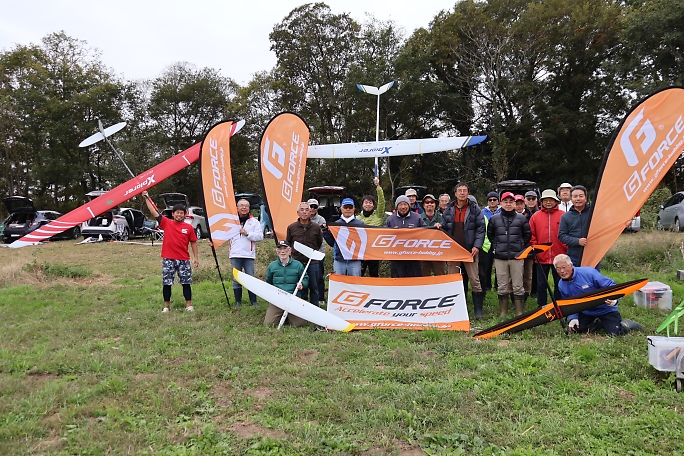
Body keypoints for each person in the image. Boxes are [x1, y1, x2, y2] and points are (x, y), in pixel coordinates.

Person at [554, 254, 641, 335]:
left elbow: (611, 285)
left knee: (615, 332)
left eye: (564, 267)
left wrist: (615, 300)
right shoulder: (561, 285)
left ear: (571, 265)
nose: (562, 271)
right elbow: (570, 304)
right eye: (558, 269)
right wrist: (573, 318)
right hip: (587, 311)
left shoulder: (589, 273)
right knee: (576, 329)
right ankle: (599, 322)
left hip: (605, 309)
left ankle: (627, 324)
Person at [142, 191, 199, 312]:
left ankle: (189, 305)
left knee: (186, 283)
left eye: (181, 213)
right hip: (168, 259)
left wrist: (196, 257)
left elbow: (193, 242)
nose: (179, 215)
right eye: (177, 212)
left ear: (185, 215)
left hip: (184, 259)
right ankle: (166, 306)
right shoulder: (166, 223)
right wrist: (146, 197)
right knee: (167, 283)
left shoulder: (189, 228)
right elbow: (154, 212)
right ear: (173, 214)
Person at [442, 183, 486, 318]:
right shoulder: (449, 209)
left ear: (468, 193)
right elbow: (445, 227)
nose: (462, 193)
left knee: (474, 280)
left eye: (464, 191)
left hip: (469, 250)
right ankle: (453, 309)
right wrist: (439, 226)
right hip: (454, 250)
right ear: (455, 193)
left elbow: (481, 229)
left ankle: (478, 311)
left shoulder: (475, 209)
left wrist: (477, 246)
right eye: (459, 190)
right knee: (452, 280)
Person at [487, 192, 531, 317]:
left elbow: (527, 235)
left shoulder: (521, 218)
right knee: (502, 285)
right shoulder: (494, 219)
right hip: (500, 257)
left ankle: (519, 312)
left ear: (515, 204)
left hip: (517, 256)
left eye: (511, 202)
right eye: (505, 202)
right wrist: (497, 247)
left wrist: (520, 246)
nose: (508, 204)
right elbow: (490, 235)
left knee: (518, 285)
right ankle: (503, 312)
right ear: (501, 203)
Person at [529, 190, 567, 307]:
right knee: (541, 284)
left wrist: (565, 249)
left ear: (556, 201)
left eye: (551, 200)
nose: (548, 202)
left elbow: (567, 233)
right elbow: (532, 235)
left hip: (559, 256)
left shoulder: (563, 215)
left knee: (560, 282)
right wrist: (536, 250)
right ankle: (542, 306)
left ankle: (559, 305)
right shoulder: (535, 216)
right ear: (542, 202)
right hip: (541, 256)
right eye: (546, 200)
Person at [264, 240, 309, 327]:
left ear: (290, 251)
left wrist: (302, 284)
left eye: (285, 249)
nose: (282, 251)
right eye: (280, 249)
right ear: (277, 252)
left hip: (293, 299)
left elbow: (305, 278)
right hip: (277, 299)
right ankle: (281, 314)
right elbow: (269, 282)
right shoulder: (272, 266)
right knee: (268, 324)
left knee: (300, 324)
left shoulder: (298, 265)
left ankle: (289, 316)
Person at [286, 202, 323, 306]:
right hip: (297, 263)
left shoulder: (316, 227)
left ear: (310, 212)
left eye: (307, 210)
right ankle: (300, 307)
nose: (304, 212)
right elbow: (289, 243)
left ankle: (314, 308)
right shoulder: (291, 227)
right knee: (300, 286)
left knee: (314, 287)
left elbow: (319, 242)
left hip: (312, 262)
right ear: (298, 212)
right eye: (302, 210)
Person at [229, 198, 264, 307]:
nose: (244, 208)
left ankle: (253, 301)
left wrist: (247, 234)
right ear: (237, 208)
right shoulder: (232, 221)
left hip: (249, 255)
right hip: (235, 254)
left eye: (246, 206)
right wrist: (213, 242)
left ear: (249, 208)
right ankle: (238, 302)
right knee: (236, 279)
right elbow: (223, 235)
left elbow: (260, 236)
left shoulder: (254, 222)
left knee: (250, 278)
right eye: (241, 205)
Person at [386, 195, 426, 277]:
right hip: (396, 256)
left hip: (414, 256)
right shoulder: (391, 219)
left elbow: (426, 231)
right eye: (400, 204)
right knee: (397, 279)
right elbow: (384, 234)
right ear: (397, 206)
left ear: (409, 205)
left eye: (405, 204)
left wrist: (416, 230)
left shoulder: (417, 217)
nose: (403, 207)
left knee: (414, 279)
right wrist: (392, 232)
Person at [323, 198, 364, 276]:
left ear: (354, 209)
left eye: (350, 207)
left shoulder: (360, 224)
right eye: (345, 207)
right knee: (339, 282)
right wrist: (325, 232)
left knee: (355, 282)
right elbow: (332, 243)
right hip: (339, 259)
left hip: (355, 260)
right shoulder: (336, 224)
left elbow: (363, 243)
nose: (348, 209)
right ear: (341, 209)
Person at [357, 177, 385, 277]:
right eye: (366, 202)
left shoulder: (378, 215)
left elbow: (381, 202)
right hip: (361, 250)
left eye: (370, 202)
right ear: (362, 204)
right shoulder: (357, 218)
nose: (368, 204)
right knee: (359, 273)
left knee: (374, 274)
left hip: (374, 249)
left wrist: (378, 186)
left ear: (373, 205)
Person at [558, 185, 592, 267]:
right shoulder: (566, 216)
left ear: (586, 198)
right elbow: (562, 236)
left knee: (592, 275)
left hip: (592, 254)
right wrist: (577, 241)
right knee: (575, 275)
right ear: (571, 199)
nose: (578, 199)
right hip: (574, 255)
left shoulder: (593, 213)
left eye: (581, 196)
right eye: (575, 196)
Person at [420, 194, 446, 277]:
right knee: (423, 276)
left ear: (435, 204)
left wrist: (442, 226)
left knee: (441, 276)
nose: (429, 204)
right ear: (423, 205)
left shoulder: (443, 218)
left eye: (432, 202)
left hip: (438, 252)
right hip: (423, 252)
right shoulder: (418, 218)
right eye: (427, 202)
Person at [307, 198, 327, 305]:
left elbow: (321, 232)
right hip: (305, 252)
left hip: (318, 252)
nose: (312, 209)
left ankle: (320, 297)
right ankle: (305, 297)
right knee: (305, 276)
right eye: (311, 206)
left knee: (319, 276)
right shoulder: (303, 218)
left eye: (315, 207)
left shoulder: (321, 219)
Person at [481, 191, 501, 291]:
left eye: (494, 199)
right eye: (490, 200)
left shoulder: (502, 211)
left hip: (499, 241)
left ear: (498, 201)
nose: (492, 201)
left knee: (499, 265)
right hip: (487, 242)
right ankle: (487, 286)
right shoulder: (482, 212)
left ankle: (498, 285)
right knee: (487, 265)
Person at [523, 190, 539, 301]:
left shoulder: (539, 212)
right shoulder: (521, 212)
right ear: (525, 200)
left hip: (536, 244)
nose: (531, 201)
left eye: (533, 199)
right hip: (524, 244)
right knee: (524, 270)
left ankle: (534, 290)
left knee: (535, 270)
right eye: (529, 199)